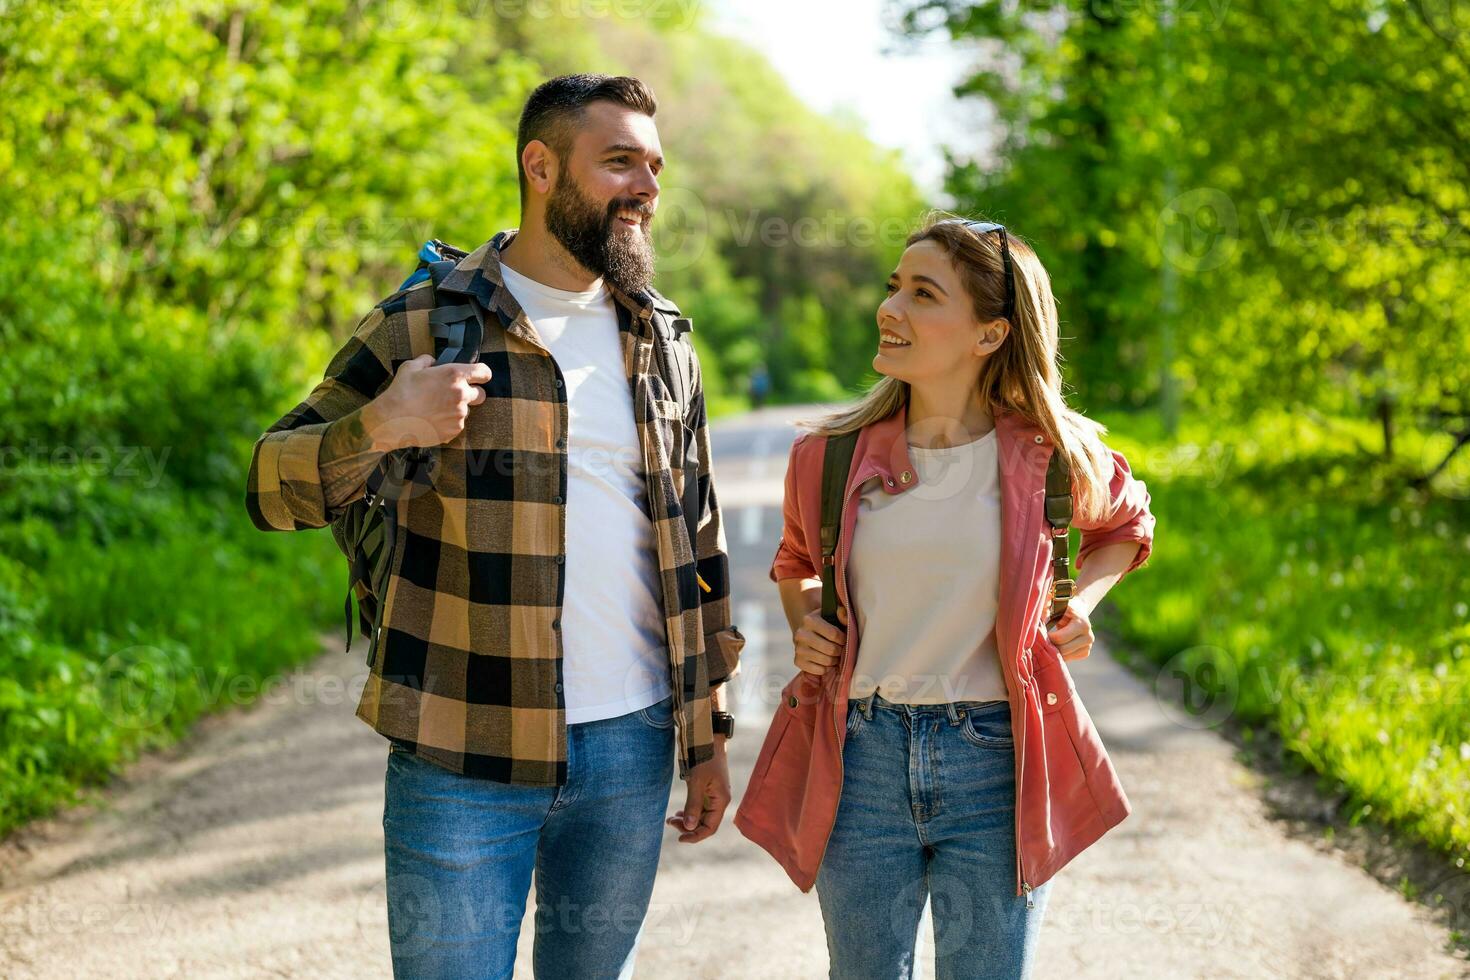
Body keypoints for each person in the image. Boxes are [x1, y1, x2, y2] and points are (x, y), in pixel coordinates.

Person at [245, 74, 745, 979]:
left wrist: (707, 735)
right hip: (458, 752)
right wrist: (382, 425)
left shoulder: (663, 335)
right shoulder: (424, 323)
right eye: (620, 162)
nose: (647, 188)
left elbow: (699, 543)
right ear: (541, 166)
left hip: (632, 750)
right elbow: (270, 487)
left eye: (656, 167)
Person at [734, 212, 1156, 979]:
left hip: (997, 760)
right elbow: (796, 561)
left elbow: (1127, 526)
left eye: (922, 294)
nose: (889, 309)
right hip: (859, 755)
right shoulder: (826, 457)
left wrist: (1079, 607)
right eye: (893, 286)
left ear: (989, 334)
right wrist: (806, 623)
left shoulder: (1052, 457)